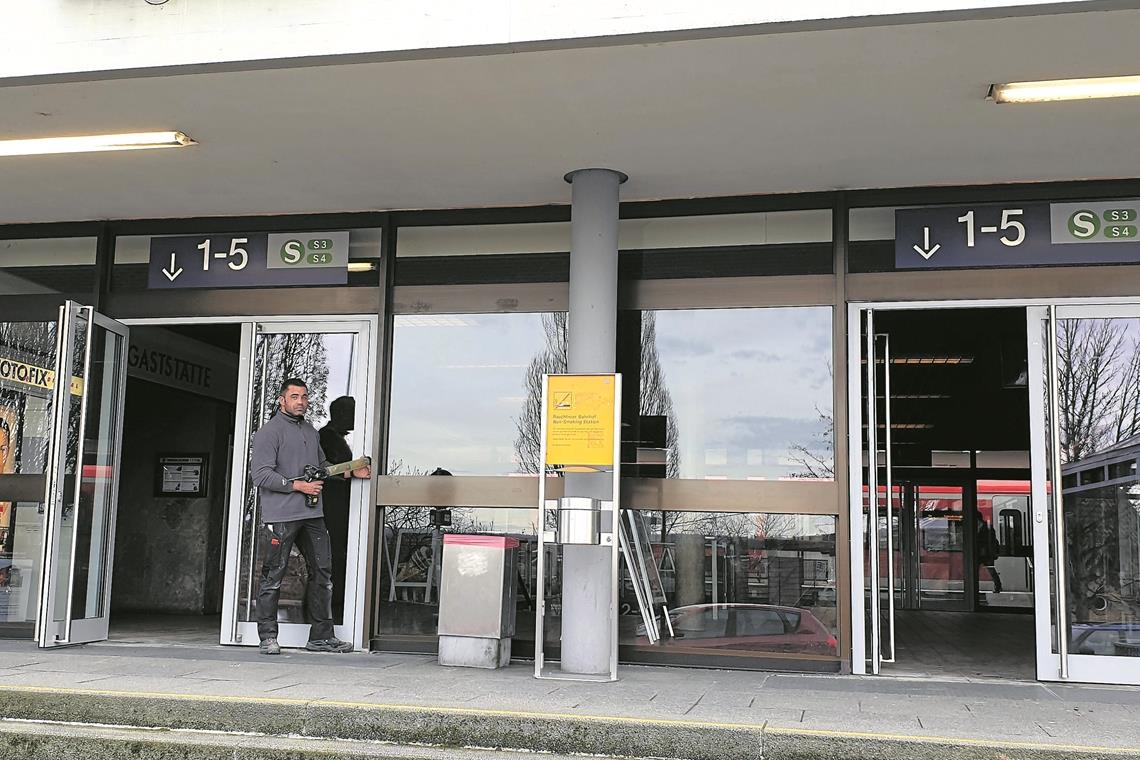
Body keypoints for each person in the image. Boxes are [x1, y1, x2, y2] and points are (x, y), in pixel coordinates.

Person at [251, 378, 370, 655]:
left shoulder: (310, 432)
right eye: (294, 397)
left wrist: (352, 472)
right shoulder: (268, 433)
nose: (301, 402)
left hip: (312, 513)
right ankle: (268, 636)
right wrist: (298, 486)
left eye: (304, 397)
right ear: (282, 400)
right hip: (282, 516)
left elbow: (322, 468)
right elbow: (261, 475)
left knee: (323, 574)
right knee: (273, 576)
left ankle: (321, 637)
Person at [318, 396, 355, 621]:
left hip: (340, 507)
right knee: (335, 557)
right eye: (352, 413)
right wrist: (352, 470)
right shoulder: (326, 438)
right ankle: (330, 607)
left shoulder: (335, 438)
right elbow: (324, 470)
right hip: (331, 507)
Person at [974, 509, 1003, 597]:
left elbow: (992, 541)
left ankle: (998, 586)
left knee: (991, 570)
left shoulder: (987, 527)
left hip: (987, 553)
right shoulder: (979, 527)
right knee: (976, 571)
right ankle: (975, 588)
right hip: (979, 554)